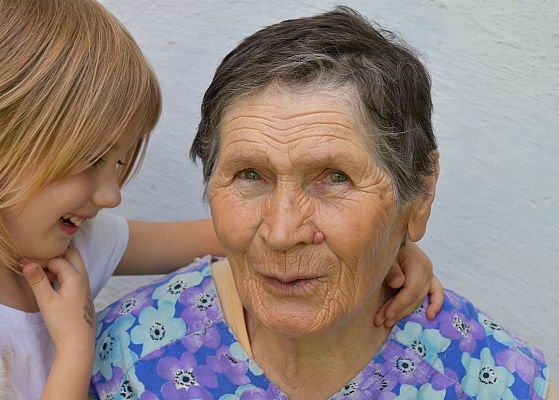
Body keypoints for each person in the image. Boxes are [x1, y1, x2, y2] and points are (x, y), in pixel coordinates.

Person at [0, 1, 440, 399]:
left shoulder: (64, 240)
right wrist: (77, 348)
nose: (109, 194)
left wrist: (380, 246)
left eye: (119, 164)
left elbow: (235, 234)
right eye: (87, 163)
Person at [91, 6, 555, 400]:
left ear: (421, 190)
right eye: (250, 174)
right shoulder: (123, 360)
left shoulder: (496, 381)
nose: (281, 231)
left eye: (335, 178)